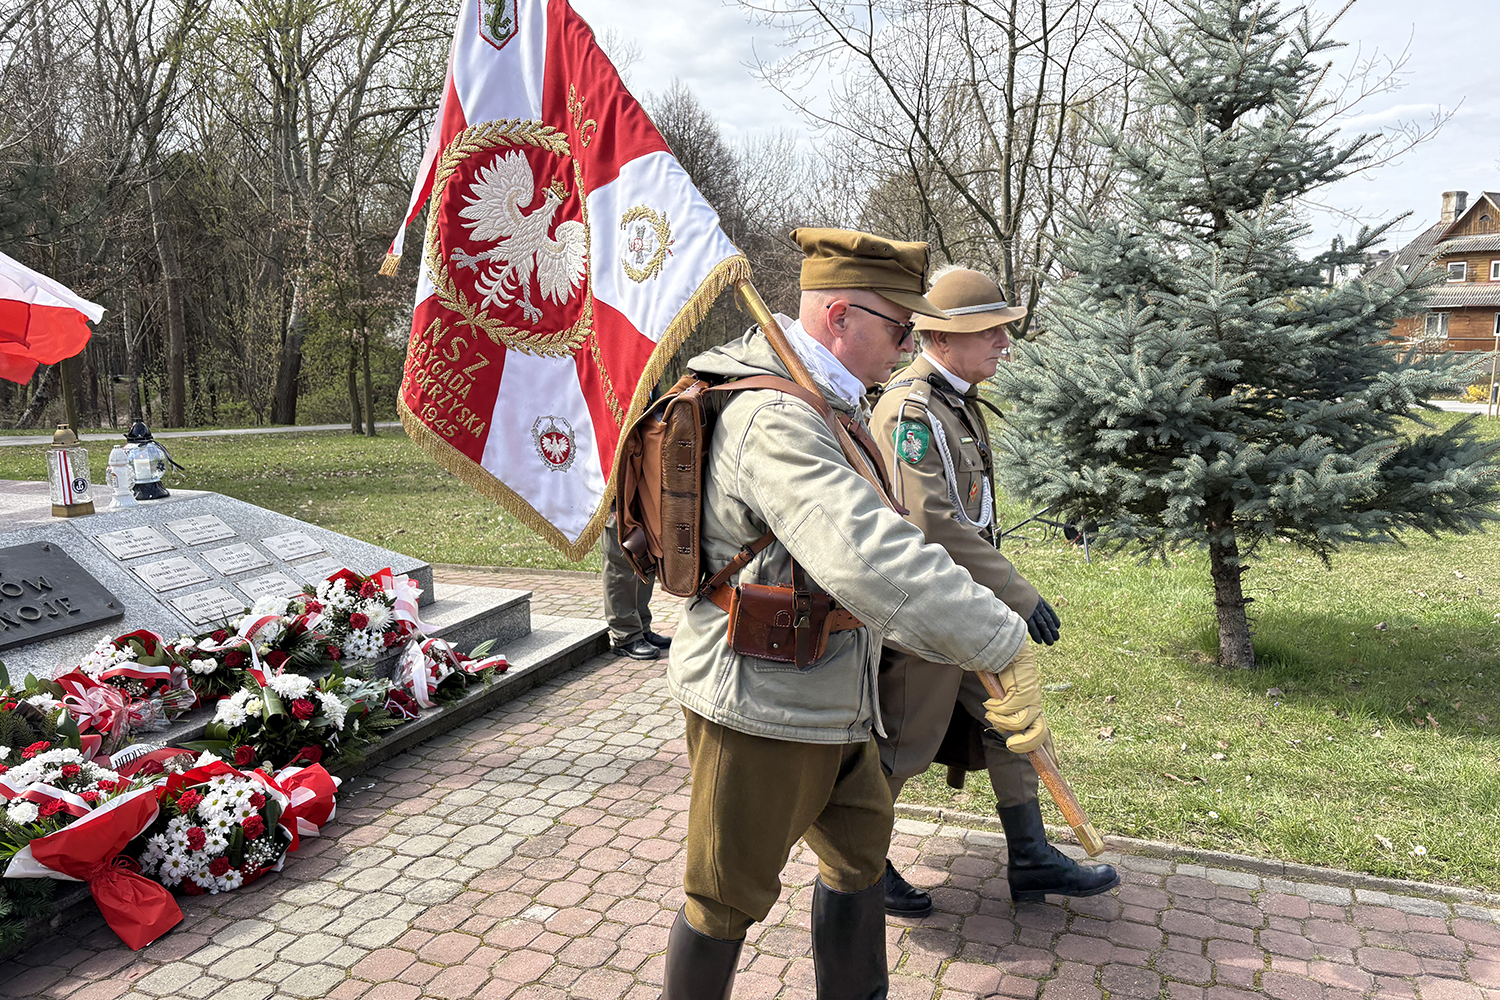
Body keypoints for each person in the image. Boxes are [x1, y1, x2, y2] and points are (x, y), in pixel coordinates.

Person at [662, 231, 1048, 1000]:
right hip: (760, 704)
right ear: (840, 315)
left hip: (839, 695)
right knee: (723, 898)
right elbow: (867, 552)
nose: (911, 342)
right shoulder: (776, 417)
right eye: (903, 327)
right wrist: (1001, 636)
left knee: (859, 861)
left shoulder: (827, 399)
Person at [869, 266, 1119, 915]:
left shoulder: (953, 399)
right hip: (922, 611)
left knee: (1015, 723)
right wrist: (1020, 594)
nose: (1004, 343)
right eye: (991, 332)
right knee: (900, 745)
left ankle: (1031, 858)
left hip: (964, 608)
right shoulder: (912, 409)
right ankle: (855, 865)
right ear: (944, 339)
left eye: (1004, 331)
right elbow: (930, 525)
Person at [601, 506, 672, 659]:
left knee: (644, 557)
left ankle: (641, 628)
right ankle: (626, 636)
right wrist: (614, 503)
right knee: (620, 564)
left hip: (639, 492)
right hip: (617, 494)